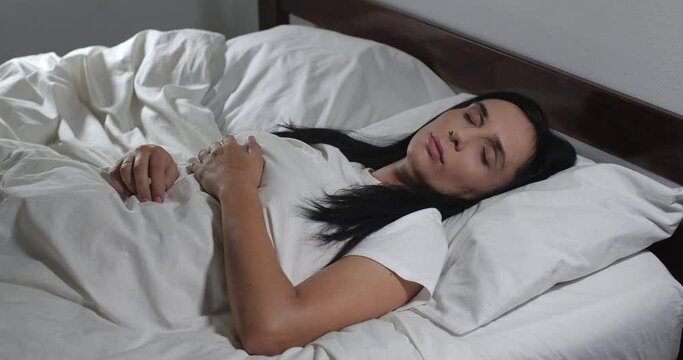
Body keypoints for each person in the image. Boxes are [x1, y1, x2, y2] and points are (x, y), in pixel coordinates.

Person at [106, 91, 576, 355]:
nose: (460, 135)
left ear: (486, 193)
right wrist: (151, 162)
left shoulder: (415, 236)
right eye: (472, 117)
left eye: (485, 153)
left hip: (125, 270)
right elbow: (199, 175)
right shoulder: (329, 151)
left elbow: (272, 328)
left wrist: (236, 190)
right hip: (113, 214)